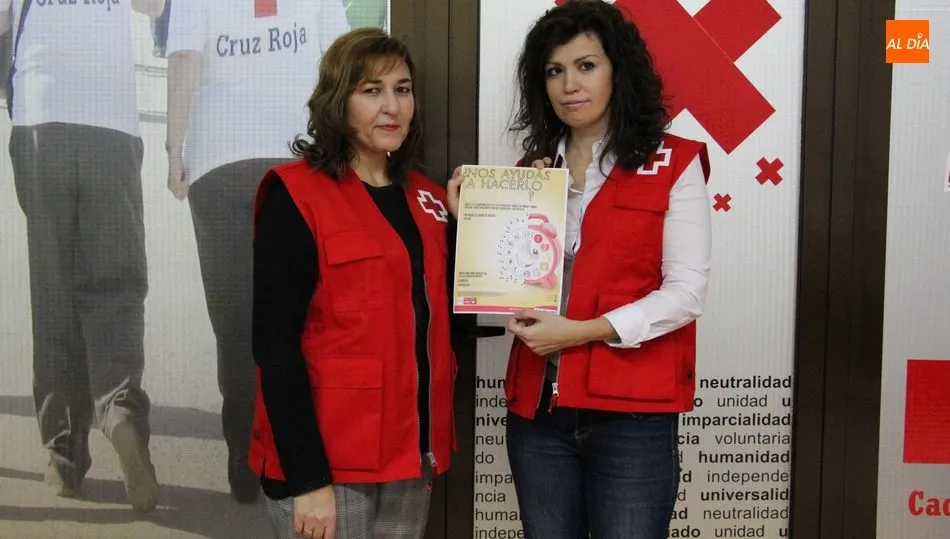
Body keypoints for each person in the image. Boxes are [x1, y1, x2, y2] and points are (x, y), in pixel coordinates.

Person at [480, 1, 712, 538]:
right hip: (539, 413)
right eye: (554, 71)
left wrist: (581, 332)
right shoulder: (529, 175)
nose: (569, 85)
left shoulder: (673, 163)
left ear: (617, 71)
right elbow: (504, 284)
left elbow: (686, 292)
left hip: (632, 416)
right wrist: (475, 219)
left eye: (586, 65)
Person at [247, 27, 460, 539]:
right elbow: (274, 345)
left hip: (409, 454)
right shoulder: (296, 195)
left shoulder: (430, 201)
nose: (392, 107)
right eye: (372, 90)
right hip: (328, 464)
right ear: (338, 101)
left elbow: (449, 317)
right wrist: (308, 480)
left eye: (402, 90)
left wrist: (476, 227)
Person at [164, 0, 350, 504]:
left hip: (219, 160)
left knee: (235, 325)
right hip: (298, 160)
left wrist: (173, 148)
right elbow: (341, 61)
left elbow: (183, 59)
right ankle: (300, 454)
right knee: (302, 315)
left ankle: (246, 458)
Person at [0, 0, 166, 512]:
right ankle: (120, 411)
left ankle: (63, 454)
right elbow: (155, 6)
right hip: (108, 122)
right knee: (116, 284)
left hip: (41, 117)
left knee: (54, 288)